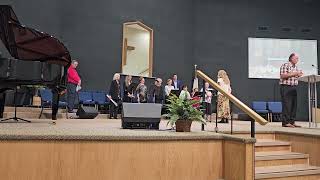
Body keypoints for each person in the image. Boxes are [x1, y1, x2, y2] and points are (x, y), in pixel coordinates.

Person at [279, 53, 303, 128]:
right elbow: (283, 76)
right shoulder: (285, 65)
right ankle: (286, 122)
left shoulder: (296, 67)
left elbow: (294, 76)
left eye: (298, 58)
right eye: (296, 58)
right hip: (286, 87)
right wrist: (295, 73)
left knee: (293, 105)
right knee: (287, 105)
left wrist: (299, 75)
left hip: (294, 87)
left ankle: (292, 122)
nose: (297, 60)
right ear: (291, 58)